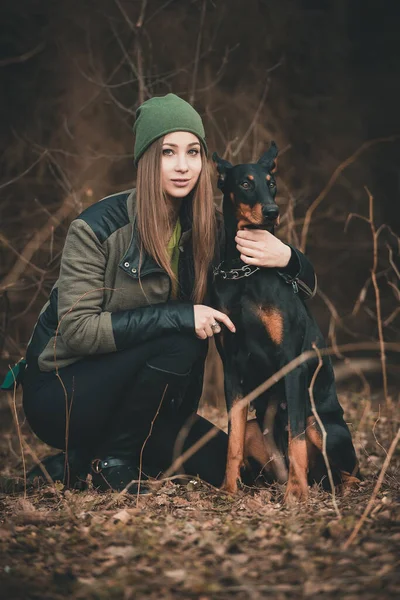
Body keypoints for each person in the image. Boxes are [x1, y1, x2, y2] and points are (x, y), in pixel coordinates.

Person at [15, 94, 317, 493]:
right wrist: (180, 316)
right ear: (145, 160)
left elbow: (303, 290)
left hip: (144, 404)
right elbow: (77, 330)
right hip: (63, 391)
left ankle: (79, 460)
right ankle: (113, 461)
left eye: (193, 151)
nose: (182, 165)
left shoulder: (210, 226)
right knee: (180, 335)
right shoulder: (97, 228)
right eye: (167, 152)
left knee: (240, 468)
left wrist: (288, 257)